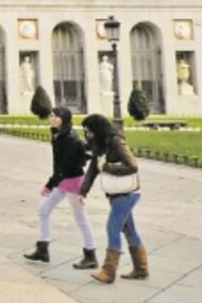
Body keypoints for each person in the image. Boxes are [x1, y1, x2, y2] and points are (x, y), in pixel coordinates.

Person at [23, 107, 97, 269]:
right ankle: (43, 249)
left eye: (54, 116)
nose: (51, 118)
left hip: (72, 182)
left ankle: (91, 254)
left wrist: (49, 185)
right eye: (50, 115)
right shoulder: (59, 134)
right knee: (43, 210)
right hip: (63, 181)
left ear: (62, 118)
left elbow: (63, 167)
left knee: (81, 218)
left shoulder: (69, 138)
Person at [80, 114, 146, 284]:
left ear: (98, 130)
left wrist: (107, 167)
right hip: (116, 193)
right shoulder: (100, 146)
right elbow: (92, 170)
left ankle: (108, 271)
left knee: (112, 228)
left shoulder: (116, 142)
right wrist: (83, 190)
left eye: (90, 131)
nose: (87, 135)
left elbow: (132, 165)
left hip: (127, 193)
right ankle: (141, 269)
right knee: (130, 230)